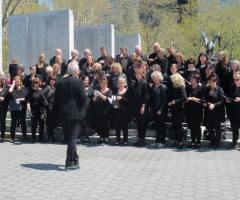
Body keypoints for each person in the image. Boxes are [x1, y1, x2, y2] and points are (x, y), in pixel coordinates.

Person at [54, 62, 86, 170]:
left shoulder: (60, 82)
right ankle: (69, 162)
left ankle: (75, 159)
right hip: (75, 115)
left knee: (71, 138)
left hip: (64, 115)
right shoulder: (79, 82)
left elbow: (56, 100)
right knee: (73, 138)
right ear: (76, 71)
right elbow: (83, 99)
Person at [203, 74, 224, 148]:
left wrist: (214, 105)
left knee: (217, 128)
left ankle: (217, 142)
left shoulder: (220, 89)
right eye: (209, 82)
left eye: (212, 82)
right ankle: (212, 141)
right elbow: (204, 98)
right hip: (208, 111)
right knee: (210, 127)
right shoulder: (207, 89)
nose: (210, 84)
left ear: (215, 82)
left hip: (217, 112)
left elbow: (222, 101)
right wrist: (205, 103)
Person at [168, 73, 187, 148]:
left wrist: (175, 101)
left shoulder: (181, 86)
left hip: (179, 109)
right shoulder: (174, 87)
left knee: (178, 125)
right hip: (173, 109)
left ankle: (180, 141)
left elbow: (184, 98)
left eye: (173, 79)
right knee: (174, 125)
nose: (171, 80)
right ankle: (176, 141)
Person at [132, 67, 149, 146]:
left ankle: (142, 140)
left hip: (142, 107)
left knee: (142, 124)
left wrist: (143, 107)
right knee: (139, 124)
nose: (137, 75)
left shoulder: (144, 83)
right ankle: (140, 139)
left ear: (142, 75)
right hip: (136, 106)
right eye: (136, 74)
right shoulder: (136, 83)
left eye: (138, 74)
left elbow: (146, 96)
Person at [150, 71, 168, 147]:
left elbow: (165, 100)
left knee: (162, 125)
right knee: (157, 125)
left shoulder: (163, 87)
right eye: (153, 78)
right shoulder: (153, 87)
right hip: (155, 109)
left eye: (155, 78)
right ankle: (157, 140)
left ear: (159, 78)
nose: (153, 79)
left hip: (161, 110)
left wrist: (160, 109)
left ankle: (162, 141)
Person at [185, 74, 204, 147]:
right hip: (190, 110)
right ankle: (193, 142)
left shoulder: (200, 88)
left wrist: (194, 99)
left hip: (198, 110)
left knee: (197, 127)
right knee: (192, 126)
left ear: (196, 80)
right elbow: (185, 96)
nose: (191, 80)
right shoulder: (189, 87)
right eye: (191, 78)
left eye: (193, 79)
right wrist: (187, 99)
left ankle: (198, 142)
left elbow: (203, 100)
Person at [27, 77, 47, 143]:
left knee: (41, 125)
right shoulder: (30, 91)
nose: (36, 84)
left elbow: (45, 102)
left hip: (41, 110)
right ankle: (33, 138)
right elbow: (28, 101)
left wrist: (43, 112)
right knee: (34, 125)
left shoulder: (41, 91)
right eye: (35, 83)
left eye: (37, 83)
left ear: (39, 83)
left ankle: (41, 137)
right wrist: (28, 108)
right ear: (33, 83)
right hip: (33, 110)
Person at [93, 78, 112, 144]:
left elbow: (109, 100)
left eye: (103, 83)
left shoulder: (109, 91)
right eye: (101, 83)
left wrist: (100, 95)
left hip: (106, 110)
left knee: (106, 125)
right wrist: (95, 96)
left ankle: (106, 138)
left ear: (106, 83)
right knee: (100, 124)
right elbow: (94, 100)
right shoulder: (98, 90)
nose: (102, 84)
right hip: (99, 110)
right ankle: (101, 137)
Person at [8, 76, 27, 143]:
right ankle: (12, 137)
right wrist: (13, 84)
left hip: (21, 108)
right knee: (13, 122)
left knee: (23, 122)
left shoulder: (23, 88)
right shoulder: (12, 87)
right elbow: (10, 91)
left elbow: (24, 98)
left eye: (18, 79)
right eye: (15, 80)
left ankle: (24, 136)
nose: (17, 81)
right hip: (14, 108)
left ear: (20, 80)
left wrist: (18, 99)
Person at [112, 77, 129, 145]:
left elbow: (129, 101)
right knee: (117, 126)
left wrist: (122, 98)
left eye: (122, 83)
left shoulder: (127, 91)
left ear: (124, 83)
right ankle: (118, 140)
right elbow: (113, 99)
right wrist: (114, 102)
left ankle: (125, 140)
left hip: (125, 112)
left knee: (125, 126)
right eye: (119, 83)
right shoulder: (116, 91)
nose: (120, 84)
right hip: (117, 111)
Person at [227, 72, 240, 149]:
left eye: (237, 79)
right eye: (234, 79)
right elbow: (229, 96)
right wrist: (228, 99)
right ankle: (234, 142)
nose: (235, 81)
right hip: (233, 110)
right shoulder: (232, 86)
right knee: (234, 128)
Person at [44, 76, 56, 143]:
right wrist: (46, 102)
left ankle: (52, 136)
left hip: (54, 108)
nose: (53, 81)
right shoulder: (48, 87)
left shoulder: (54, 88)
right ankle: (49, 137)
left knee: (52, 123)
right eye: (51, 80)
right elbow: (42, 94)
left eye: (54, 80)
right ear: (49, 81)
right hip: (49, 107)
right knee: (49, 123)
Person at [0, 77, 9, 142]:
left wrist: (2, 97)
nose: (3, 80)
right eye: (1, 79)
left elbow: (4, 96)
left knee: (2, 121)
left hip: (3, 107)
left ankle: (2, 135)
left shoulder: (6, 87)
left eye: (4, 79)